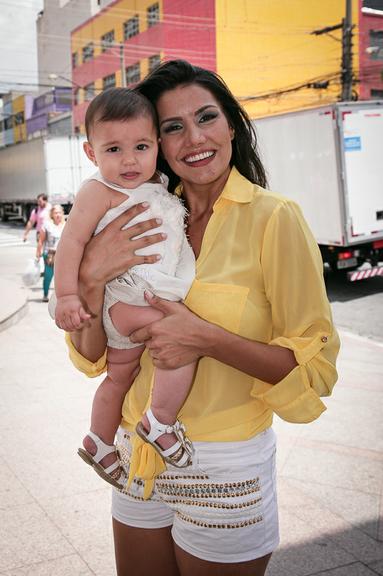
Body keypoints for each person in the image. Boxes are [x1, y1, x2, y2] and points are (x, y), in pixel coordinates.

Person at [64, 60, 340, 576]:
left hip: (222, 465)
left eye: (207, 117)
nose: (194, 137)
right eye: (172, 127)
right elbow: (90, 354)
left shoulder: (274, 217)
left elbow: (314, 371)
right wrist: (89, 279)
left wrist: (205, 338)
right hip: (131, 454)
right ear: (157, 142)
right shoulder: (135, 214)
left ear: (231, 124)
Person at [53, 88, 196, 488]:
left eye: (141, 146)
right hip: (125, 296)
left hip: (138, 294)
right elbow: (72, 243)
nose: (130, 159)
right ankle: (159, 421)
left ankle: (99, 440)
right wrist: (67, 295)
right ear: (90, 153)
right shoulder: (98, 191)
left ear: (157, 147)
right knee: (179, 341)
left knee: (119, 376)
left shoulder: (160, 184)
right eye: (113, 149)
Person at [36, 204, 65, 302]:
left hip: (62, 255)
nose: (58, 215)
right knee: (48, 276)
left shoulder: (66, 225)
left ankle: (61, 297)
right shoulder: (47, 225)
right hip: (49, 255)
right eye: (56, 212)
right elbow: (41, 240)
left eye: (59, 212)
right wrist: (38, 252)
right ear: (52, 214)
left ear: (62, 214)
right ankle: (45, 294)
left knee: (62, 277)